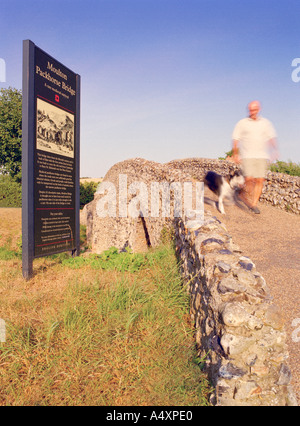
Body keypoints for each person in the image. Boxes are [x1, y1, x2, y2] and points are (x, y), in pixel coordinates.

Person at [232, 100, 279, 214]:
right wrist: (235, 153)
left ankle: (253, 204)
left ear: (259, 109)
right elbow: (236, 138)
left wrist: (275, 149)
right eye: (250, 110)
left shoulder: (266, 123)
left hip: (262, 155)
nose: (252, 112)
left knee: (260, 180)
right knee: (249, 178)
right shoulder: (242, 123)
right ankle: (242, 193)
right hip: (247, 155)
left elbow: (271, 137)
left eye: (254, 110)